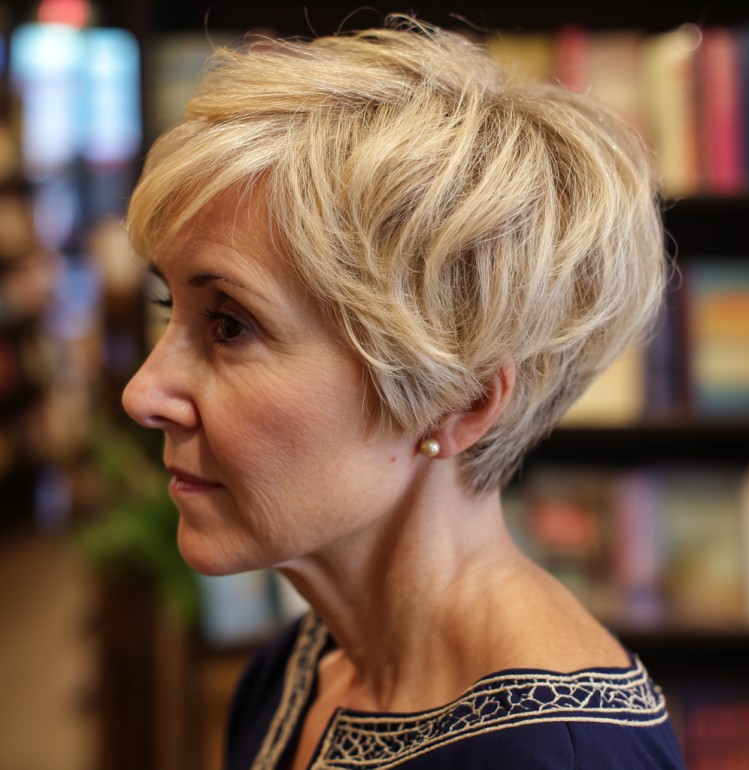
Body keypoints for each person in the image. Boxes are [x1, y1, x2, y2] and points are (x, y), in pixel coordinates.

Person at [121, 15, 686, 769]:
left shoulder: (557, 755)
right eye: (171, 305)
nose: (143, 393)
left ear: (457, 401)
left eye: (230, 325)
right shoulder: (297, 670)